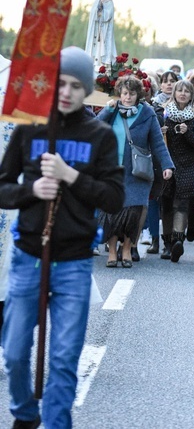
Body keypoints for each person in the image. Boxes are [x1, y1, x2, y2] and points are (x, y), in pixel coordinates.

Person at [0, 47, 125, 428]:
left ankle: (56, 422)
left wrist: (71, 176)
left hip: (73, 262)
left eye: (75, 85)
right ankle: (24, 413)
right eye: (60, 83)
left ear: (86, 90)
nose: (66, 92)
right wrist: (31, 190)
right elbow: (2, 187)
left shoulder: (99, 136)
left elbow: (113, 197)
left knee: (64, 358)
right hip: (27, 257)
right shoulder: (29, 128)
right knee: (16, 352)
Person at [97, 75, 175, 268]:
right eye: (124, 93)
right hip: (111, 170)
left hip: (137, 173)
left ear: (138, 94)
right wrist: (107, 110)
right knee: (111, 212)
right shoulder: (112, 111)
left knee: (133, 213)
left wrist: (167, 165)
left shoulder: (147, 113)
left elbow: (157, 142)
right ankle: (113, 251)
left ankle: (127, 248)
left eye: (132, 93)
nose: (128, 97)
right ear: (119, 94)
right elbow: (95, 128)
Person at [160, 79, 194, 263]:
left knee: (182, 203)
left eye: (187, 91)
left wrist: (188, 133)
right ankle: (167, 243)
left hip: (188, 164)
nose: (183, 94)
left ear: (192, 95)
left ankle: (178, 240)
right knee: (167, 203)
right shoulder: (165, 113)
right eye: (180, 90)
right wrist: (163, 132)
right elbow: (158, 141)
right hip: (169, 163)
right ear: (174, 93)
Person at [84, 0, 117, 66]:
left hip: (104, 27)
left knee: (102, 43)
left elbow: (109, 15)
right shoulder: (97, 1)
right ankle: (93, 61)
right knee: (95, 43)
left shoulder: (109, 3)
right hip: (96, 26)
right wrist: (96, 10)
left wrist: (103, 11)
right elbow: (92, 13)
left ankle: (101, 62)